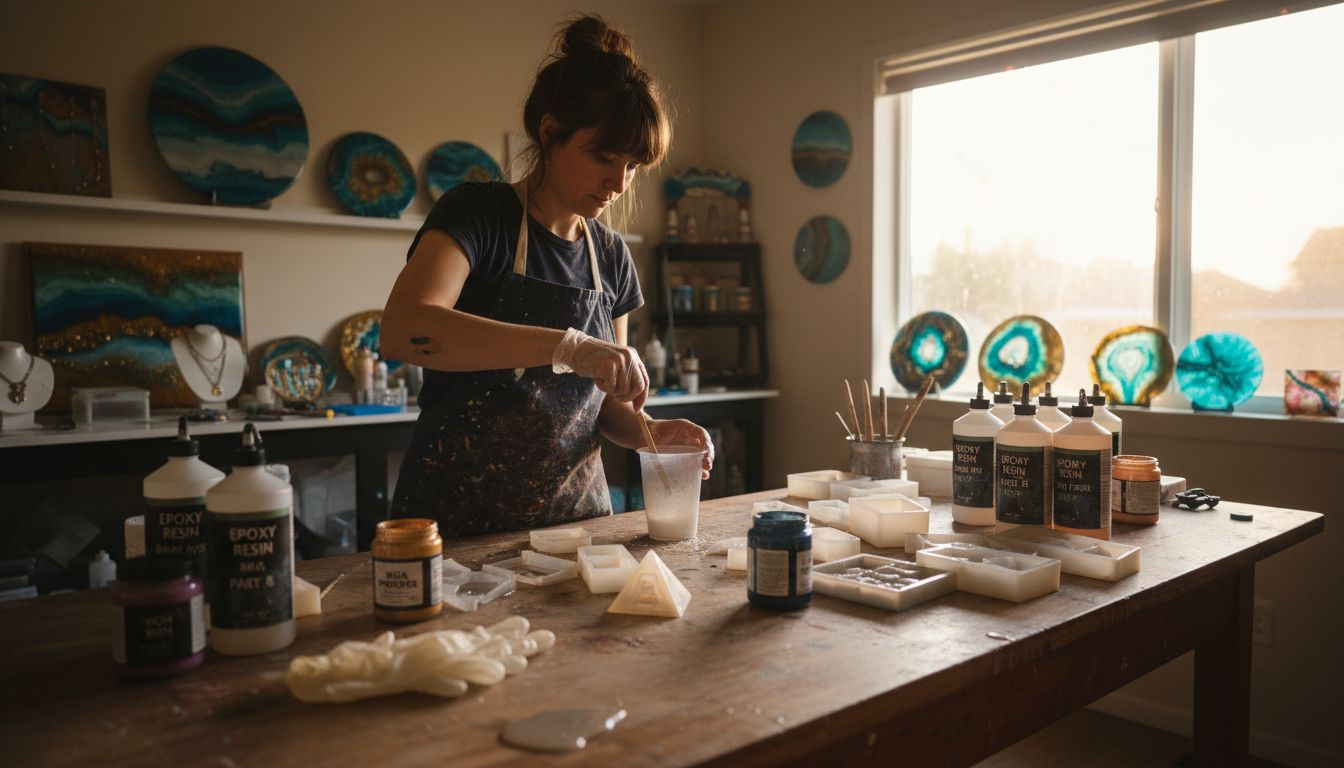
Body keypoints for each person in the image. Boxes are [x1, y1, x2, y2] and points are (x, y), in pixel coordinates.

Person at [382, 15, 713, 538]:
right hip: (456, 524)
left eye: (632, 166)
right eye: (603, 157)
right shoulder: (479, 215)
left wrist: (655, 431)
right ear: (549, 131)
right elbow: (406, 328)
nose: (618, 183)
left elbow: (610, 408)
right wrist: (569, 347)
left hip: (574, 528)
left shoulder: (610, 257)